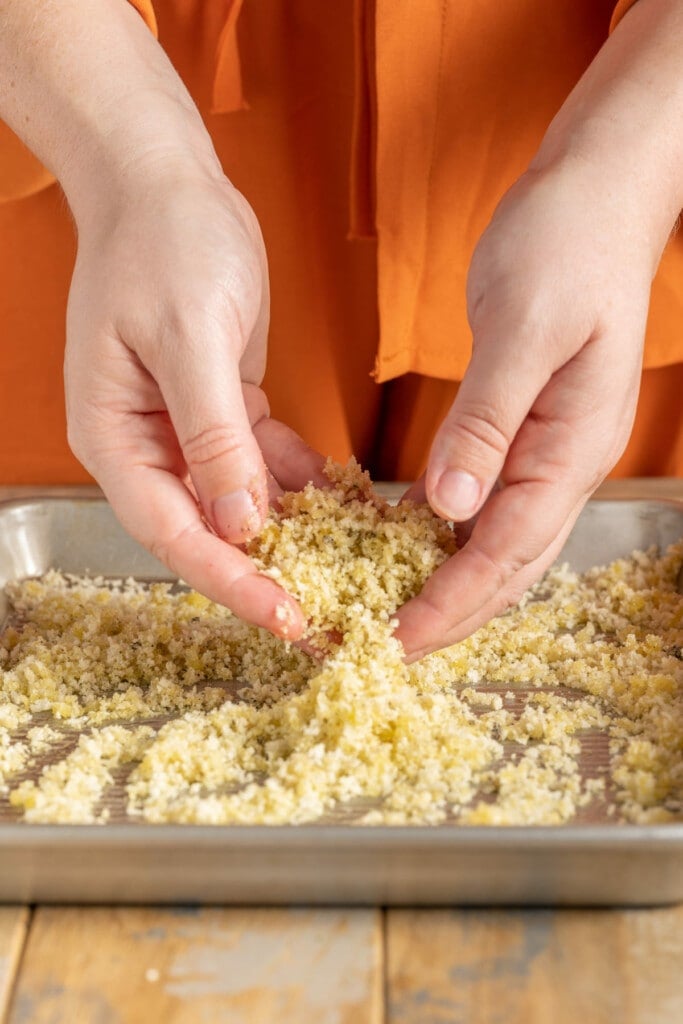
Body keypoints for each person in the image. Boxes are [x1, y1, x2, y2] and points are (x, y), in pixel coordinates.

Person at [0, 0, 681, 660]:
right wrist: (134, 164)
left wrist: (629, 172)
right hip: (117, 86)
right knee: (171, 457)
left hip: (603, 123)